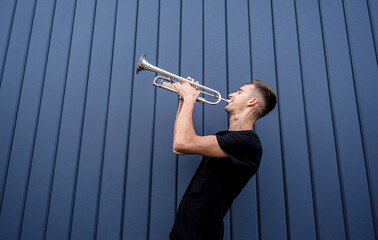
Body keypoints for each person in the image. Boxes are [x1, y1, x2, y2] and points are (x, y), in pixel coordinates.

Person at [169, 77, 277, 240]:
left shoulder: (248, 143)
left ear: (252, 101)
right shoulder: (226, 138)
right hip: (187, 229)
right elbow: (179, 145)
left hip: (201, 233)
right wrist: (183, 101)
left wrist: (190, 98)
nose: (231, 94)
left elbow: (182, 143)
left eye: (239, 91)